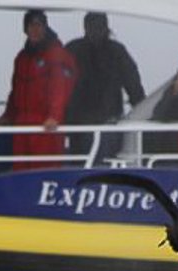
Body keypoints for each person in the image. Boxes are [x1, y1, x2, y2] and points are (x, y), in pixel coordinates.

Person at [0, 10, 77, 171]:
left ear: (45, 27)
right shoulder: (22, 57)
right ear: (25, 29)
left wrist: (54, 116)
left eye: (38, 25)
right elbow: (16, 91)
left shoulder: (57, 55)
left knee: (45, 171)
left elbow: (60, 88)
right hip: (23, 124)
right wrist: (8, 115)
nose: (35, 30)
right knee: (20, 171)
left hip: (45, 125)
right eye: (31, 25)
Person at [64, 12, 143, 160]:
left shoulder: (73, 49)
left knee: (86, 167)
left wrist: (141, 110)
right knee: (95, 167)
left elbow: (134, 87)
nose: (95, 30)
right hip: (81, 124)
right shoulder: (73, 50)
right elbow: (134, 87)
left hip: (102, 123)